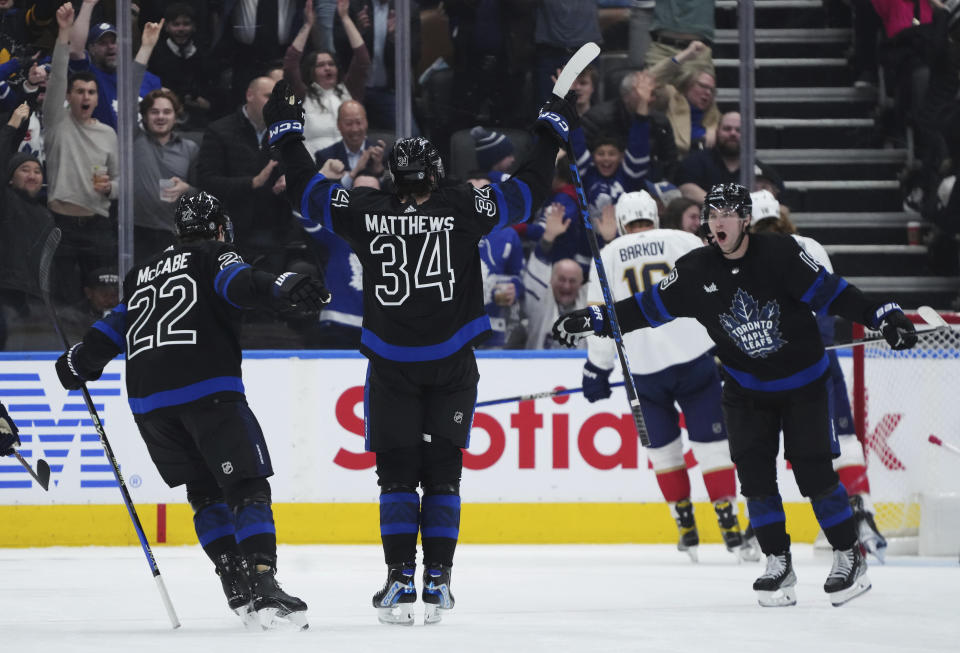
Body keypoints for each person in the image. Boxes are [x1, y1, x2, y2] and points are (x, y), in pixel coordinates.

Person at [262, 76, 574, 624]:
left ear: (391, 176)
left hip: (392, 367)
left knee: (398, 477)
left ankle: (399, 580)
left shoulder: (366, 208)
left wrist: (287, 135)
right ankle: (439, 580)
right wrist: (549, 128)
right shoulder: (462, 205)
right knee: (445, 475)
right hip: (453, 363)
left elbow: (306, 190)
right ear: (434, 173)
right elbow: (529, 189)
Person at [552, 183, 918, 607]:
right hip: (746, 390)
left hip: (804, 386)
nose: (717, 221)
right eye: (712, 214)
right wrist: (595, 319)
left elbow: (833, 293)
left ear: (745, 219)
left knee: (815, 475)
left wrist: (881, 313)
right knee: (756, 481)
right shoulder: (695, 269)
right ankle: (777, 561)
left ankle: (847, 554)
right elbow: (643, 309)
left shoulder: (781, 253)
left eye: (727, 213)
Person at [53, 191, 330, 630]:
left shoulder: (141, 272)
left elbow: (114, 327)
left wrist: (79, 361)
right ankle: (262, 582)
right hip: (206, 390)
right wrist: (277, 286)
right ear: (218, 227)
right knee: (246, 484)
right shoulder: (213, 254)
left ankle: (232, 580)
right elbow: (237, 282)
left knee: (203, 491)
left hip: (148, 405)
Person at [582, 190, 755, 562]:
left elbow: (600, 316)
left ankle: (686, 526)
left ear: (624, 222)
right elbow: (723, 286)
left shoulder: (607, 255)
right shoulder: (683, 240)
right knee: (712, 446)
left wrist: (597, 367)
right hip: (695, 359)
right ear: (654, 217)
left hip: (643, 371)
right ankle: (728, 521)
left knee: (662, 449)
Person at [749, 189, 888, 562]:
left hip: (769, 368)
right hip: (818, 360)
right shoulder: (810, 244)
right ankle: (860, 509)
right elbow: (829, 299)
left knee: (762, 443)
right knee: (840, 434)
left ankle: (758, 526)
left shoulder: (747, 254)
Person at [44, 3, 120, 305]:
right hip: (60, 223)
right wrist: (63, 32)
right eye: (79, 91)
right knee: (63, 299)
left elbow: (121, 179)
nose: (85, 96)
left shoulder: (108, 133)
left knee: (104, 300)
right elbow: (59, 75)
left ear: (97, 97)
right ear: (68, 96)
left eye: (91, 92)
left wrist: (111, 187)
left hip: (98, 224)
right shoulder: (55, 122)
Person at [285, 0, 370, 156]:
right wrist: (308, 25)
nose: (327, 68)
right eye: (321, 65)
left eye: (331, 64)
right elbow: (290, 65)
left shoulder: (349, 90)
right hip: (314, 169)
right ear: (311, 71)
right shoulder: (302, 94)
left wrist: (345, 18)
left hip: (349, 167)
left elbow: (362, 59)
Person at [68, 0, 163, 131]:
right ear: (91, 48)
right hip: (105, 148)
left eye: (114, 41)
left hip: (142, 148)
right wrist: (88, 5)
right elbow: (74, 51)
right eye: (103, 43)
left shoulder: (149, 79)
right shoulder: (89, 77)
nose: (111, 47)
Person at [523, 201, 590, 350]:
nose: (566, 285)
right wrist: (548, 237)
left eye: (572, 281)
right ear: (551, 281)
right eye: (561, 279)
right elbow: (537, 273)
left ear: (581, 284)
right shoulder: (540, 302)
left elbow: (608, 283)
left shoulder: (588, 302)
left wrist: (609, 240)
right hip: (537, 372)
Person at [314, 100, 385, 189]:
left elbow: (391, 192)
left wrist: (379, 170)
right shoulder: (325, 157)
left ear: (366, 123)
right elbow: (325, 194)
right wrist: (354, 173)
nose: (354, 129)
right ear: (338, 125)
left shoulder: (381, 153)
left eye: (359, 122)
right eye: (348, 123)